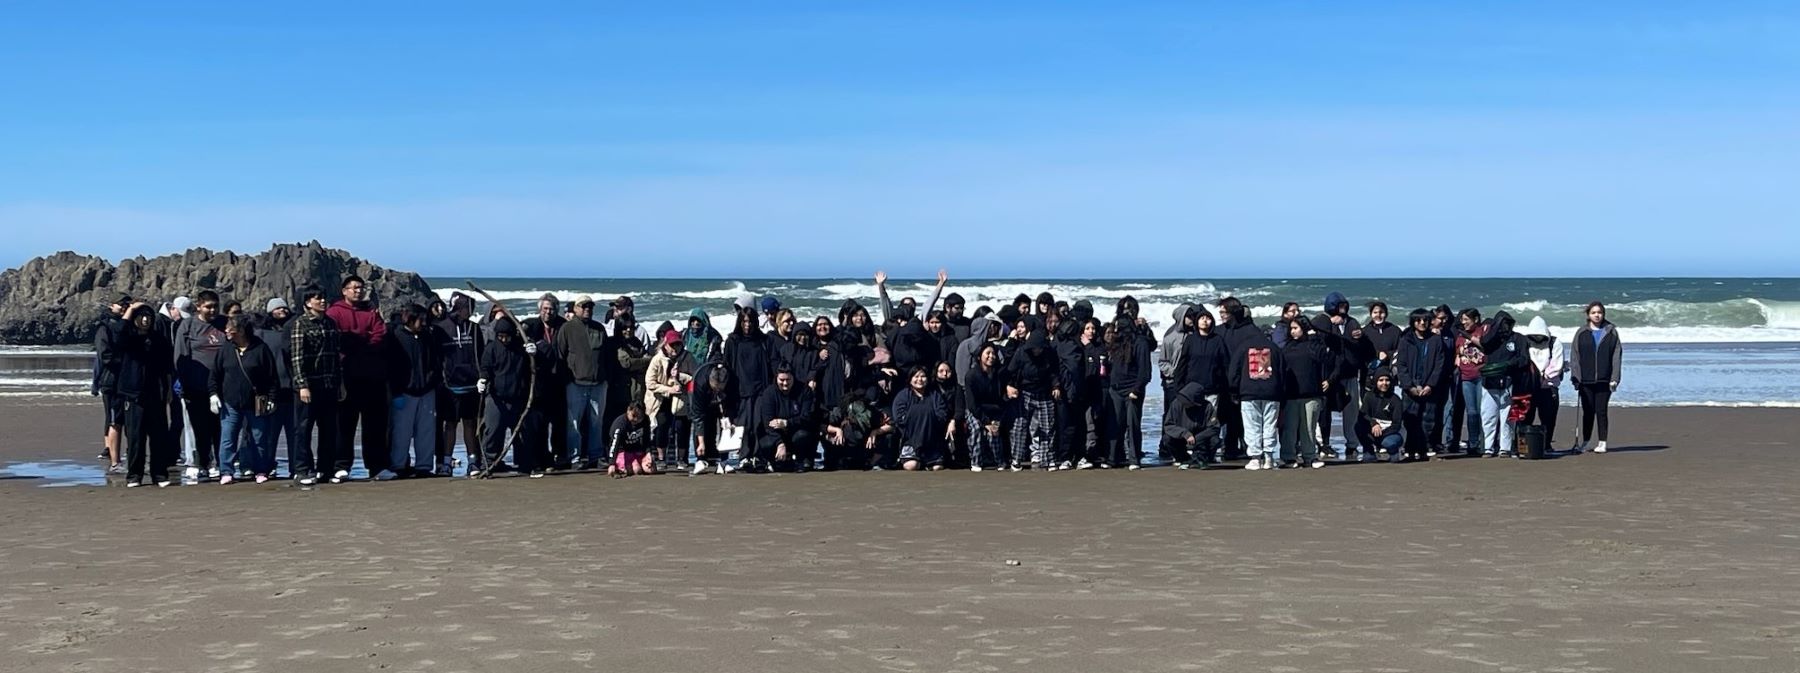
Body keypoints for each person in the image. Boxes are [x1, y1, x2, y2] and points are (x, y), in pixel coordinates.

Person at [327, 275, 391, 479]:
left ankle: (377, 466)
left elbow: (380, 334)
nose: (357, 291)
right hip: (346, 376)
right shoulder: (335, 312)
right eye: (353, 287)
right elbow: (338, 337)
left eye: (361, 287)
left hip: (372, 376)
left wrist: (361, 341)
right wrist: (359, 341)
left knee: (375, 424)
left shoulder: (371, 312)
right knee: (344, 424)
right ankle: (341, 465)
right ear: (344, 290)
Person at [210, 313, 280, 484]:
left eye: (230, 328)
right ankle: (226, 471)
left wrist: (271, 398)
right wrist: (213, 395)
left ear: (241, 330)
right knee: (228, 437)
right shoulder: (225, 349)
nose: (226, 331)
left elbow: (272, 377)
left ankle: (261, 470)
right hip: (230, 402)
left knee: (259, 437)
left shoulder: (260, 348)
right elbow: (215, 375)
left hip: (258, 400)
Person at [477, 317, 547, 478]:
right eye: (500, 336)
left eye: (506, 336)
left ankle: (526, 465)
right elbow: (486, 367)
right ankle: (488, 464)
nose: (503, 339)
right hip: (496, 399)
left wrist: (535, 353)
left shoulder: (520, 348)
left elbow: (537, 367)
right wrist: (482, 379)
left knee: (523, 434)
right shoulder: (492, 348)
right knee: (493, 432)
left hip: (519, 399)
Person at [553, 295, 616, 471]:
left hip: (598, 384)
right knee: (574, 423)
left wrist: (606, 379)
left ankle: (596, 455)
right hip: (575, 384)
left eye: (590, 306)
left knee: (597, 422)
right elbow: (560, 356)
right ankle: (575, 457)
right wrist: (566, 380)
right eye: (584, 306)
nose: (587, 308)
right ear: (575, 308)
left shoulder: (599, 328)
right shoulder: (567, 328)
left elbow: (607, 356)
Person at [116, 303, 176, 487]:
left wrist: (168, 390)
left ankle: (159, 474)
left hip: (156, 394)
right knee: (136, 438)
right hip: (133, 395)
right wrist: (130, 310)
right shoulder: (129, 338)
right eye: (141, 317)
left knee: (158, 436)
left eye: (148, 317)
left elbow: (167, 367)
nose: (145, 320)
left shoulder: (159, 339)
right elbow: (119, 333)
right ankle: (134, 475)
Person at [383, 304, 442, 479]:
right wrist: (396, 391)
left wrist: (431, 380)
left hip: (426, 390)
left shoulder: (427, 336)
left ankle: (424, 466)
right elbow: (391, 366)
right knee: (401, 431)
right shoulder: (395, 336)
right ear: (409, 318)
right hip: (404, 391)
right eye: (420, 319)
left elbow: (434, 361)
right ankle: (398, 465)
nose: (423, 323)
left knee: (426, 431)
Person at [290, 287, 341, 485]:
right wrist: (302, 385)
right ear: (307, 302)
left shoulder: (330, 323)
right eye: (317, 298)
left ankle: (325, 470)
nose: (322, 301)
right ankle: (302, 470)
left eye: (323, 297)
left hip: (329, 384)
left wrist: (340, 383)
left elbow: (336, 355)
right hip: (309, 386)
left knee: (328, 429)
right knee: (303, 429)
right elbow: (296, 358)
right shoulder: (300, 324)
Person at [175, 290, 227, 483]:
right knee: (200, 430)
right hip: (196, 388)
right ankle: (203, 464)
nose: (212, 310)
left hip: (222, 388)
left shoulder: (224, 324)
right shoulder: (188, 326)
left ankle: (223, 466)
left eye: (215, 306)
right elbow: (180, 357)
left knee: (221, 430)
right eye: (208, 306)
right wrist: (184, 384)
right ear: (199, 306)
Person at [1309, 292, 1368, 461]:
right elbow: (1320, 343)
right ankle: (1322, 443)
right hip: (1330, 374)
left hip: (1349, 373)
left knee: (1352, 410)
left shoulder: (1352, 322)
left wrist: (1360, 338)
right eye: (1339, 305)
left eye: (1344, 305)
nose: (1342, 309)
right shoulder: (1322, 322)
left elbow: (1359, 345)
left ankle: (1352, 444)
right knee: (1324, 410)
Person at [435, 293, 484, 475]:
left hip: (471, 385)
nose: (470, 312)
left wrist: (481, 377)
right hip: (450, 386)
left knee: (470, 424)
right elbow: (438, 357)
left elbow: (480, 354)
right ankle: (446, 462)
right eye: (467, 308)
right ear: (459, 308)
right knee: (450, 425)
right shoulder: (442, 329)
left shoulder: (474, 328)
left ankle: (473, 462)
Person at [520, 293, 570, 469]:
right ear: (540, 310)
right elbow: (517, 339)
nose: (548, 312)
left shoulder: (564, 326)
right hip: (539, 383)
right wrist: (528, 348)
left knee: (559, 422)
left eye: (552, 309)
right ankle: (541, 458)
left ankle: (560, 456)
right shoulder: (531, 325)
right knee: (539, 424)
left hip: (559, 382)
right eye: (545, 309)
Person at [1228, 319, 1284, 471]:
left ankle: (1255, 458)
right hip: (1272, 393)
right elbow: (1282, 371)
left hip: (1248, 393)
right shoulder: (1275, 348)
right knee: (1270, 426)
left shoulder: (1243, 347)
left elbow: (1234, 371)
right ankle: (1269, 457)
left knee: (1252, 426)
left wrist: (1234, 390)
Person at [1005, 318, 1060, 471]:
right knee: (1020, 426)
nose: (1037, 351)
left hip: (1044, 393)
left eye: (1039, 348)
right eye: (1034, 349)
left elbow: (1054, 372)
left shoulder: (1049, 354)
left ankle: (1047, 459)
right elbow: (1011, 371)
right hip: (1025, 393)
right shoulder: (1022, 352)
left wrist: (1056, 386)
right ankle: (1016, 459)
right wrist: (1010, 386)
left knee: (1048, 427)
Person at [1393, 308, 1447, 463]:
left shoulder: (1436, 340)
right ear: (1413, 322)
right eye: (1418, 320)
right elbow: (1401, 365)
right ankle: (1410, 450)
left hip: (1429, 387)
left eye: (1425, 320)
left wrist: (1430, 385)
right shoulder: (1406, 340)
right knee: (1410, 420)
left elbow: (1439, 365)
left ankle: (1423, 450)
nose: (1422, 323)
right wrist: (1409, 386)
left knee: (1428, 420)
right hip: (1410, 387)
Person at [1568, 302, 1622, 454]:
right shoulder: (1581, 333)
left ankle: (1602, 442)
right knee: (1588, 411)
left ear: (1603, 314)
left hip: (1605, 380)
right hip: (1586, 380)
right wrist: (1575, 377)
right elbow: (1575, 356)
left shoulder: (1611, 332)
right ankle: (1585, 442)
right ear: (1588, 315)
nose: (1597, 315)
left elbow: (1616, 357)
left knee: (1601, 411)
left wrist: (1615, 378)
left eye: (1599, 312)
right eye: (1593, 312)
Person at [1178, 306, 1228, 465]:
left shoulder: (1218, 340)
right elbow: (1183, 364)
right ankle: (1192, 454)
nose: (1205, 321)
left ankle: (1209, 454)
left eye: (1208, 318)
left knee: (1210, 424)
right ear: (1197, 322)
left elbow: (1225, 364)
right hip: (1192, 390)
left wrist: (1226, 386)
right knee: (1192, 423)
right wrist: (1179, 386)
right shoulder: (1190, 340)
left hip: (1212, 389)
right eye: (1202, 318)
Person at [256, 298, 299, 480]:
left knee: (295, 433)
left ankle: (296, 468)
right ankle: (265, 467)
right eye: (277, 308)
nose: (282, 310)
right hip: (271, 391)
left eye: (284, 307)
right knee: (268, 434)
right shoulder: (261, 334)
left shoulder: (295, 330)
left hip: (292, 390)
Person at [1476, 311, 1528, 458]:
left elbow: (1524, 359)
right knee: (1488, 416)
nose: (1505, 327)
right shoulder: (1491, 340)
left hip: (1510, 383)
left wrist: (1509, 364)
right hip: (1489, 383)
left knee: (1508, 418)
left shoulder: (1519, 339)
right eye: (1501, 323)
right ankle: (1488, 447)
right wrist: (1495, 329)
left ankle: (1505, 447)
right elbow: (1484, 344)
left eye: (1507, 323)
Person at [1280, 319, 1329, 469]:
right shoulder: (1287, 347)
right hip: (1292, 394)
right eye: (1291, 328)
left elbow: (1322, 357)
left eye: (1296, 328)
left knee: (1309, 428)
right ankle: (1288, 457)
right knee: (1290, 427)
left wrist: (1313, 336)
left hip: (1311, 393)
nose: (1293, 331)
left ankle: (1310, 456)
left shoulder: (1313, 345)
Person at [1103, 320, 1151, 469]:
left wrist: (1136, 389)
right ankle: (1113, 458)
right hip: (1116, 389)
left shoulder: (1140, 343)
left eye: (1118, 327)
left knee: (1133, 425)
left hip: (1132, 390)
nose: (1115, 330)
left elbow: (1145, 371)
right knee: (1114, 424)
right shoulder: (1117, 343)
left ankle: (1134, 459)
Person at [645, 331, 696, 471]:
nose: (675, 348)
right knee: (662, 426)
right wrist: (668, 389)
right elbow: (649, 383)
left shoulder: (688, 357)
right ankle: (661, 458)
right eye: (672, 345)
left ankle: (682, 459)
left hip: (681, 398)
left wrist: (681, 377)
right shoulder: (657, 359)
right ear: (666, 345)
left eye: (678, 344)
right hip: (661, 399)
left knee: (682, 427)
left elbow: (695, 377)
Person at [93, 292, 131, 472]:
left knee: (127, 420)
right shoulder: (105, 327)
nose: (124, 306)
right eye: (121, 304)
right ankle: (113, 458)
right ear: (111, 305)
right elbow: (104, 356)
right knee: (114, 419)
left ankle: (127, 455)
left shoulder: (128, 325)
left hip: (127, 380)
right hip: (112, 380)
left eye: (126, 304)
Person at [752, 367, 817, 472]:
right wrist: (779, 443)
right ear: (776, 378)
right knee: (766, 443)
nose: (785, 383)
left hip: (796, 431)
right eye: (782, 380)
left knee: (803, 436)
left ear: (793, 378)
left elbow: (807, 417)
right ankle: (774, 461)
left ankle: (801, 460)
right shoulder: (769, 393)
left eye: (788, 379)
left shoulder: (804, 391)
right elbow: (767, 422)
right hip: (776, 433)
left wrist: (787, 423)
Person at [1522, 316, 1566, 447]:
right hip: (1528, 386)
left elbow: (1557, 365)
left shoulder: (1554, 343)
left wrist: (1542, 376)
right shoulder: (1525, 342)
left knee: (1548, 418)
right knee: (1525, 417)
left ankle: (1546, 444)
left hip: (1548, 386)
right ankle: (1523, 444)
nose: (1537, 338)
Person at [962, 343, 1007, 472]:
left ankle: (1000, 461)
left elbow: (1001, 398)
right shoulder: (971, 375)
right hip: (976, 410)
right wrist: (985, 421)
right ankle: (976, 461)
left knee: (994, 433)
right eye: (988, 353)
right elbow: (972, 404)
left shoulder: (999, 373)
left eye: (993, 354)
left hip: (994, 410)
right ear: (979, 356)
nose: (991, 356)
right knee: (976, 429)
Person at [1452, 308, 1488, 456]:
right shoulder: (1460, 337)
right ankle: (1473, 443)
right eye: (1462, 320)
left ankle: (1484, 442)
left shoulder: (1483, 331)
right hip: (1466, 377)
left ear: (1476, 319)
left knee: (1482, 411)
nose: (1464, 322)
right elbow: (1458, 354)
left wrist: (1469, 336)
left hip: (1480, 375)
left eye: (1467, 319)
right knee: (1471, 412)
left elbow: (1485, 346)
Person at [688, 362, 733, 475]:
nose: (717, 391)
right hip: (701, 399)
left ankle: (724, 459)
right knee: (702, 421)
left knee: (726, 423)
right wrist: (701, 443)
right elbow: (698, 416)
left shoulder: (731, 379)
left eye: (720, 389)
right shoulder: (700, 381)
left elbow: (731, 407)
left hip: (726, 398)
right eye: (715, 388)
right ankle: (700, 458)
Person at [1161, 383, 1219, 469]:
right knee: (1167, 438)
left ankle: (1203, 459)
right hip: (1182, 436)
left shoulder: (1207, 407)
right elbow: (1168, 425)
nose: (1185, 403)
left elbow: (1214, 427)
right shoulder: (1176, 404)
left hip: (1200, 438)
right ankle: (1184, 459)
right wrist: (1185, 433)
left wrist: (1198, 438)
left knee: (1215, 440)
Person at [1359, 368, 1406, 462]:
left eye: (1387, 380)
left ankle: (1393, 452)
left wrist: (1382, 435)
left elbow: (1397, 424)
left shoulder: (1395, 400)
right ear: (1376, 381)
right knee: (1358, 426)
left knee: (1389, 442)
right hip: (1374, 431)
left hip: (1390, 434)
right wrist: (1373, 423)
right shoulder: (1369, 396)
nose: (1384, 383)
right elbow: (1363, 415)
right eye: (1381, 380)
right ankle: (1369, 451)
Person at [606, 402, 654, 477]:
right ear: (628, 410)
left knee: (650, 469)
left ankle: (636, 464)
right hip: (622, 451)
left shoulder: (645, 420)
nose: (636, 419)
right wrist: (611, 463)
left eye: (639, 417)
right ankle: (620, 467)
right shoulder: (620, 424)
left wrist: (648, 453)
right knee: (636, 469)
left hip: (637, 450)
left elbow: (647, 439)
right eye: (634, 416)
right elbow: (614, 444)